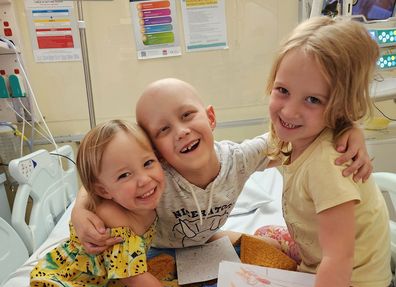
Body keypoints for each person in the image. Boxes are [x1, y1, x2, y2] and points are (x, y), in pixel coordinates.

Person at [30, 119, 262, 287]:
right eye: (124, 176)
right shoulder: (114, 220)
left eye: (148, 164)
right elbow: (138, 280)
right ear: (104, 190)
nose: (143, 180)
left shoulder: (152, 194)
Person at [72, 78, 373, 253]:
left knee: (274, 250)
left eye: (187, 115)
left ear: (211, 118)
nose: (180, 131)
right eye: (163, 130)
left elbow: (298, 136)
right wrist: (79, 211)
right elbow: (104, 180)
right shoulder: (154, 177)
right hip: (156, 251)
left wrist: (347, 129)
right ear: (155, 151)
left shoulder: (239, 160)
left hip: (205, 243)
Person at [259, 16, 396, 287]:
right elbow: (249, 157)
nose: (289, 111)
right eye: (282, 91)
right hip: (318, 253)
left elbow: (339, 258)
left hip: (357, 285)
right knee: (261, 240)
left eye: (313, 100)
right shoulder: (295, 135)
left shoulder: (327, 163)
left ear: (340, 106)